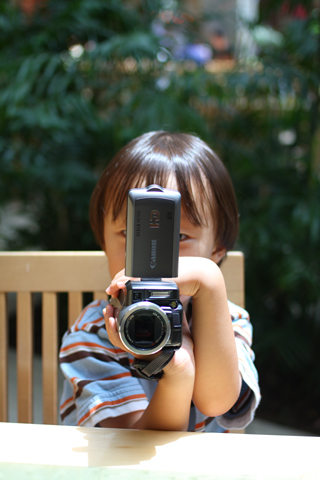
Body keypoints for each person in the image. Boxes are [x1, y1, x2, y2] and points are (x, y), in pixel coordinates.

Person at [59, 131, 260, 432]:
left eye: (179, 237)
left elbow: (217, 402)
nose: (153, 257)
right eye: (130, 234)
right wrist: (176, 374)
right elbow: (128, 454)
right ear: (103, 241)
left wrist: (208, 281)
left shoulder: (230, 322)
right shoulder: (95, 334)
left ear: (217, 251)